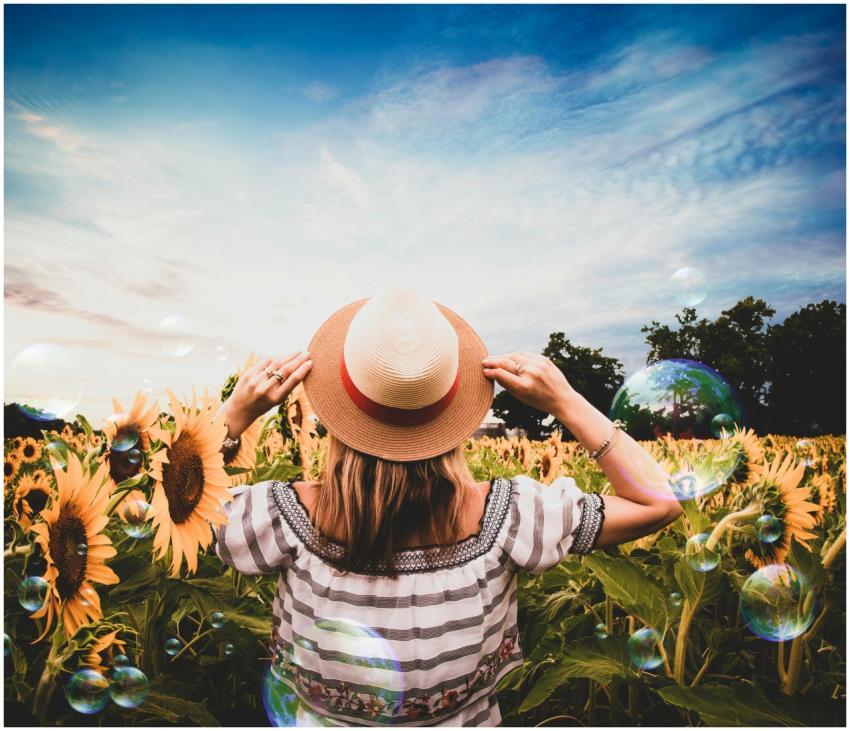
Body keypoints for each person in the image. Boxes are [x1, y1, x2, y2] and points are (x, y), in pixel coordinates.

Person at [211, 286, 683, 726]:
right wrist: (567, 401)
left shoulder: (280, 518)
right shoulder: (511, 517)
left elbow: (174, 508)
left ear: (339, 412)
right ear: (454, 413)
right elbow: (659, 504)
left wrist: (232, 419)